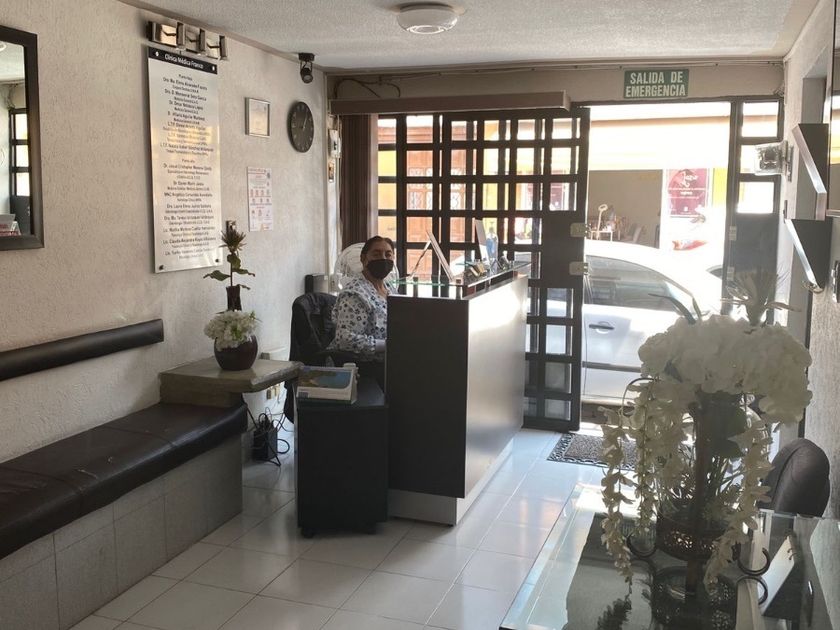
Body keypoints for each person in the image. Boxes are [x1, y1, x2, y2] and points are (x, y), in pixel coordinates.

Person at [329, 235, 395, 388]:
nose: (383, 259)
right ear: (364, 259)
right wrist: (385, 345)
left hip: (389, 363)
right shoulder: (355, 294)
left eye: (388, 254)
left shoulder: (390, 289)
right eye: (376, 254)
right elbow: (345, 339)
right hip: (365, 369)